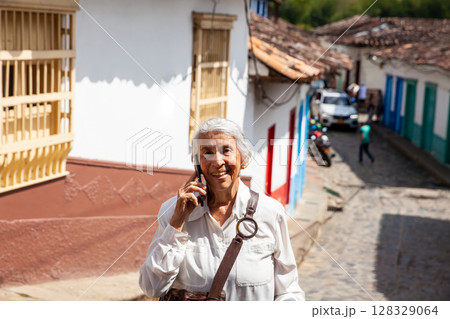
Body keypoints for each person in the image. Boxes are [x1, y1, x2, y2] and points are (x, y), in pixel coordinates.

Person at [139, 117, 305, 301]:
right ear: (197, 164)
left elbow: (289, 292)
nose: (217, 161)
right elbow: (152, 288)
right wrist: (176, 223)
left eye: (226, 150)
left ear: (244, 159)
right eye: (207, 152)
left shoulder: (270, 212)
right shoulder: (173, 212)